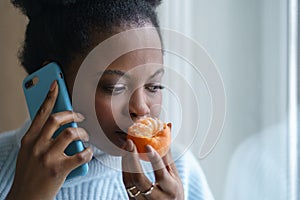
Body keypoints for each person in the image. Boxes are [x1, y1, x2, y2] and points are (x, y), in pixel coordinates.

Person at [0, 0, 214, 199]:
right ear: (54, 86)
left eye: (153, 86)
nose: (141, 108)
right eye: (115, 88)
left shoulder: (181, 174)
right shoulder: (5, 165)